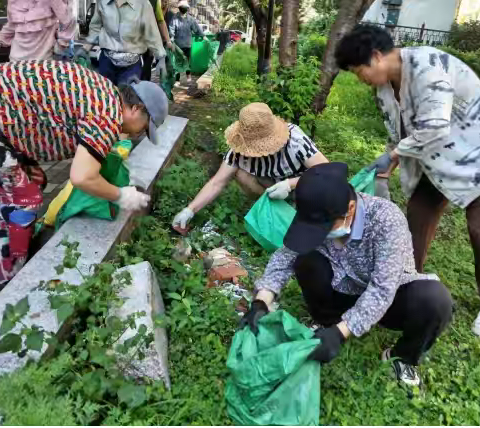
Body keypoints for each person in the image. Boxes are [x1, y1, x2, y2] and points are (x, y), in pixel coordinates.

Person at [241, 162, 453, 386]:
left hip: (390, 299)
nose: (320, 233)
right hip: (342, 288)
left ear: (350, 210)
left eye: (324, 228)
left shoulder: (386, 219)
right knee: (306, 258)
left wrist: (341, 333)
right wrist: (261, 302)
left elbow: (382, 289)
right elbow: (285, 257)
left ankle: (402, 356)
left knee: (435, 301)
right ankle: (327, 321)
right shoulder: (316, 210)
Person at [335, 24, 480, 336]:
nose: (360, 79)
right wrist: (388, 165)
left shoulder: (428, 66)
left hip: (474, 153)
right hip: (436, 159)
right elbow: (404, 133)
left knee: (479, 228)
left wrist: (394, 154)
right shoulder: (385, 88)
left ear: (376, 57)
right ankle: (408, 283)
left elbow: (434, 128)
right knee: (416, 219)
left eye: (358, 71)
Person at [0, 60, 169, 286]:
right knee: (24, 199)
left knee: (35, 179)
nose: (139, 134)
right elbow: (82, 177)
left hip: (8, 118)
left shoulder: (105, 93)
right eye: (144, 127)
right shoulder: (108, 115)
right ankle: (9, 277)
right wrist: (122, 195)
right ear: (137, 109)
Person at [172, 103, 328, 230]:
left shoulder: (295, 141)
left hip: (304, 187)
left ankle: (301, 214)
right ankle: (275, 211)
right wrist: (189, 210)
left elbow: (328, 172)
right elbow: (216, 183)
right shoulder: (238, 151)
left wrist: (290, 184)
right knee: (241, 174)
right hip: (271, 187)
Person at [78, 0, 166, 86]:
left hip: (131, 66)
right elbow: (95, 28)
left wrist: (161, 58)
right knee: (106, 96)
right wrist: (85, 49)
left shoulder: (143, 4)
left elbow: (151, 33)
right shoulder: (102, 2)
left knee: (126, 97)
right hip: (107, 61)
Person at [0, 0, 76, 61]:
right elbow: (13, 25)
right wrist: (2, 39)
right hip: (15, 60)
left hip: (42, 60)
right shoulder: (13, 2)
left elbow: (69, 21)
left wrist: (61, 43)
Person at [169, 0, 205, 83]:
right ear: (179, 8)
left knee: (187, 61)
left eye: (185, 8)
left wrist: (203, 36)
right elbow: (171, 30)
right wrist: (170, 41)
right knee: (178, 62)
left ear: (187, 9)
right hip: (178, 45)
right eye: (182, 7)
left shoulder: (191, 19)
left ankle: (188, 76)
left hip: (187, 44)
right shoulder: (175, 18)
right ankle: (177, 79)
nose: (184, 9)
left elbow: (197, 29)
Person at [141, 0, 174, 82]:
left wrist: (168, 41)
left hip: (149, 43)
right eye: (164, 1)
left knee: (146, 68)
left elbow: (160, 21)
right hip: (131, 44)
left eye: (166, 2)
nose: (165, 3)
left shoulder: (155, 2)